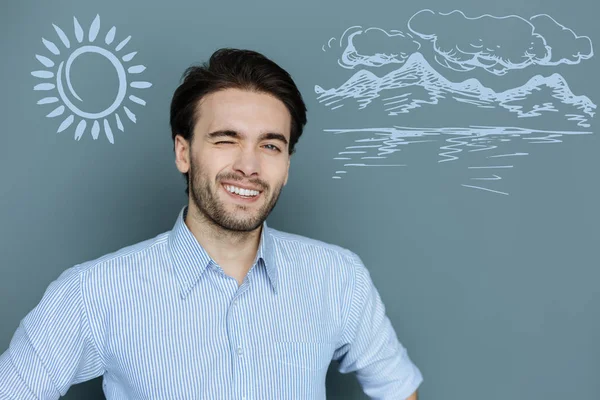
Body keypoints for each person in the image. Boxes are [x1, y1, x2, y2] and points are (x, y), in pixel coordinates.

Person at [0, 48, 422, 399]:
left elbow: (398, 387)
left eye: (270, 145)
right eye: (226, 140)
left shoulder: (338, 277)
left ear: (287, 164)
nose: (249, 166)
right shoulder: (93, 292)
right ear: (184, 153)